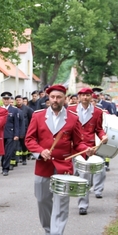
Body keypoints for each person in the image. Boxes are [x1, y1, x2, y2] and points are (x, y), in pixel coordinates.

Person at [25, 84, 94, 235]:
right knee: (42, 200)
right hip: (43, 166)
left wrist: (86, 150)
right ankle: (49, 230)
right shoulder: (37, 116)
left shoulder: (73, 118)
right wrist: (40, 151)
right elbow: (29, 139)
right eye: (52, 97)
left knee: (62, 203)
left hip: (64, 166)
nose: (55, 100)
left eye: (59, 97)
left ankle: (57, 233)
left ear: (65, 98)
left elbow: (78, 143)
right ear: (48, 98)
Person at [67, 88, 108, 215]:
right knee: (79, 175)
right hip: (74, 146)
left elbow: (99, 129)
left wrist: (103, 136)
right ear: (79, 97)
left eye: (88, 95)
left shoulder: (97, 112)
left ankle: (87, 199)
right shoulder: (70, 110)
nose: (85, 98)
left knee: (89, 175)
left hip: (90, 148)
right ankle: (80, 202)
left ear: (92, 97)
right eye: (83, 95)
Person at [0, 91, 19, 176]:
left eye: (8, 99)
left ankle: (5, 168)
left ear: (10, 99)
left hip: (10, 134)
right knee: (1, 152)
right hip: (0, 134)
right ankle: (3, 165)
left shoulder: (14, 110)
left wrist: (16, 134)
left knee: (8, 152)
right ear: (2, 100)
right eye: (5, 99)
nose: (6, 100)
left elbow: (16, 124)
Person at [15, 95, 34, 164]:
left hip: (25, 129)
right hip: (16, 129)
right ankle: (16, 159)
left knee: (23, 145)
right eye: (17, 100)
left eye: (19, 100)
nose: (18, 102)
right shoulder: (14, 108)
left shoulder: (27, 109)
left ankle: (24, 159)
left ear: (22, 101)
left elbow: (32, 119)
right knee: (16, 145)